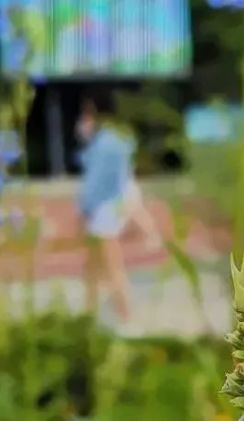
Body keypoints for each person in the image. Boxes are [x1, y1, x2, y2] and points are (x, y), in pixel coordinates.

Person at [76, 91, 156, 332]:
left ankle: (125, 316)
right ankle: (89, 315)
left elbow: (96, 181)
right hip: (114, 204)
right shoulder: (118, 138)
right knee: (93, 266)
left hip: (103, 210)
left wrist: (84, 207)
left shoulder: (104, 142)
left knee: (111, 265)